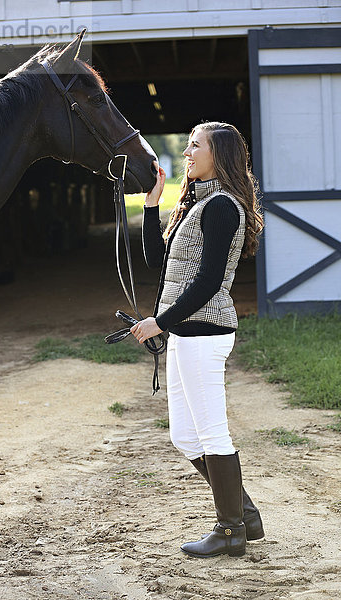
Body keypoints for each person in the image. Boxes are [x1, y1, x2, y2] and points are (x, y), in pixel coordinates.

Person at [130, 121, 264, 558]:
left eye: (195, 146)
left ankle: (230, 531)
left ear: (218, 154)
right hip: (187, 333)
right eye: (187, 146)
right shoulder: (195, 203)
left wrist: (160, 322)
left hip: (206, 332)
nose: (187, 153)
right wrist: (152, 204)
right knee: (185, 438)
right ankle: (244, 514)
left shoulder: (223, 206)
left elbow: (207, 282)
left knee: (212, 432)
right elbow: (159, 262)